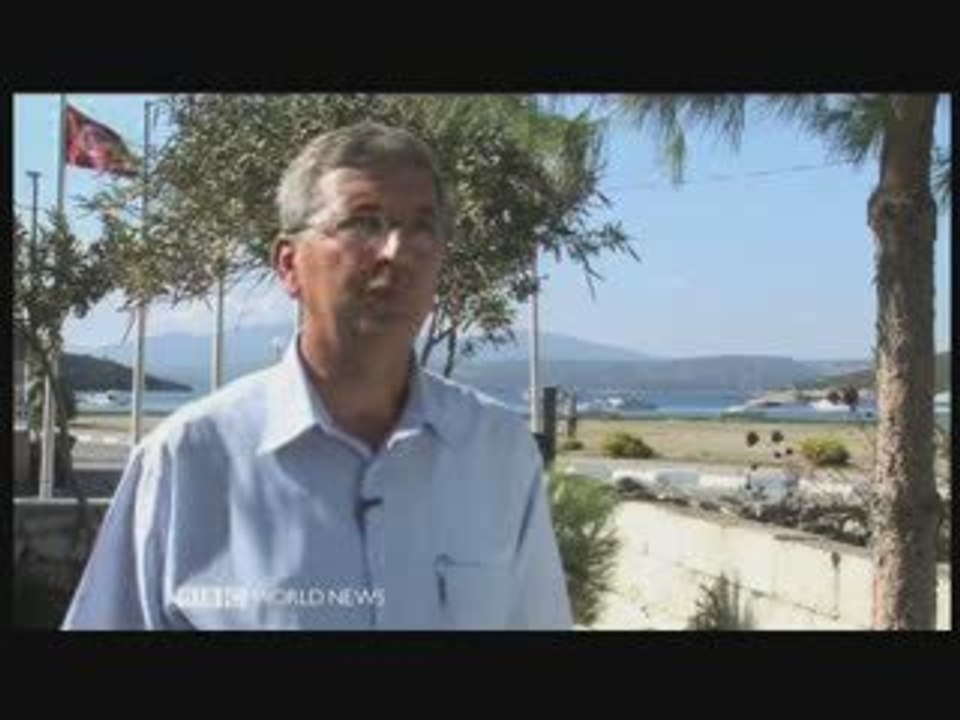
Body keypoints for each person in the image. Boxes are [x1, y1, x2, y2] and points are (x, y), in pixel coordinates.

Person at [62, 121, 572, 630]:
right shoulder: (188, 460)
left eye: (422, 227)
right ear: (289, 265)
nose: (397, 252)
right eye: (364, 223)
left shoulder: (497, 452)